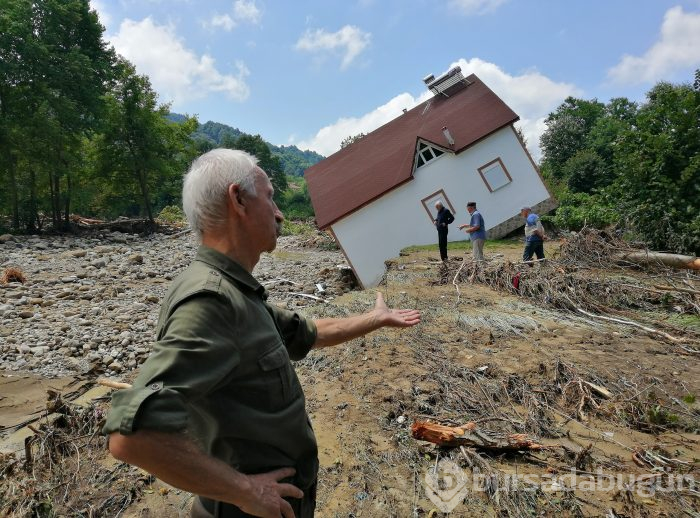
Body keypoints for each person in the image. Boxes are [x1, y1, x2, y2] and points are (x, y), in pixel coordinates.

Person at [103, 149, 421, 518]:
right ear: (238, 199)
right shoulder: (211, 301)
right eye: (269, 197)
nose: (280, 212)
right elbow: (134, 437)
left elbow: (310, 332)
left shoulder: (238, 293)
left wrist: (375, 318)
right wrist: (246, 492)